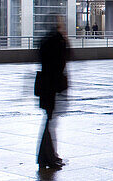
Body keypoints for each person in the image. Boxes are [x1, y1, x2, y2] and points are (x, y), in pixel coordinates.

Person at [36, 16, 70, 170]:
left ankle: (48, 156)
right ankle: (47, 157)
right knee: (49, 123)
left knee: (49, 121)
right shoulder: (58, 41)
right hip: (53, 86)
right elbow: (65, 58)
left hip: (45, 85)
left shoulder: (44, 40)